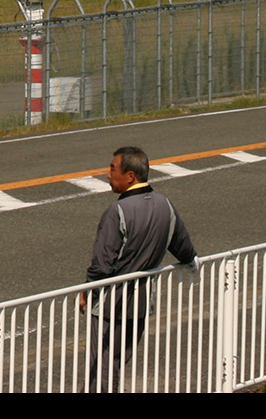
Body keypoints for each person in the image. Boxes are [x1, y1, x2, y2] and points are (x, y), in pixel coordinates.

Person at [81, 146, 198, 391]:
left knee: (102, 369)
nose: (107, 174)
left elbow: (102, 265)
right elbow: (183, 248)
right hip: (141, 305)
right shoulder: (165, 204)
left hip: (109, 305)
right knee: (116, 363)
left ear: (130, 176)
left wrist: (87, 291)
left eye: (113, 169)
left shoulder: (118, 211)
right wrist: (191, 263)